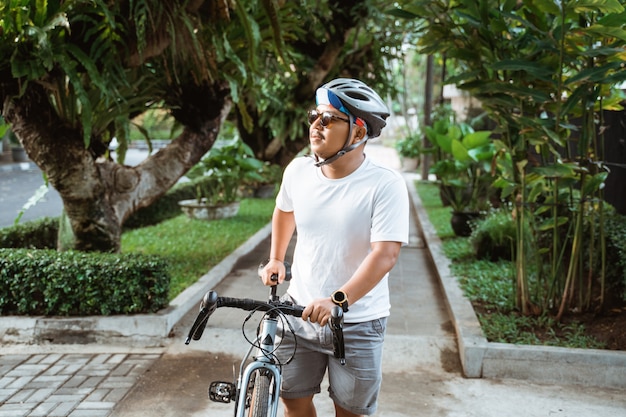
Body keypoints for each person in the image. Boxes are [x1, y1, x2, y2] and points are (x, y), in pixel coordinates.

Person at [260, 78, 409, 417]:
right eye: (315, 116)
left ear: (358, 133)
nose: (316, 125)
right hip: (298, 314)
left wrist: (337, 299)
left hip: (358, 324)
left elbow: (385, 255)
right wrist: (276, 259)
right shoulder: (298, 171)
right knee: (292, 401)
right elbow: (285, 210)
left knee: (350, 412)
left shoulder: (385, 186)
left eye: (329, 119)